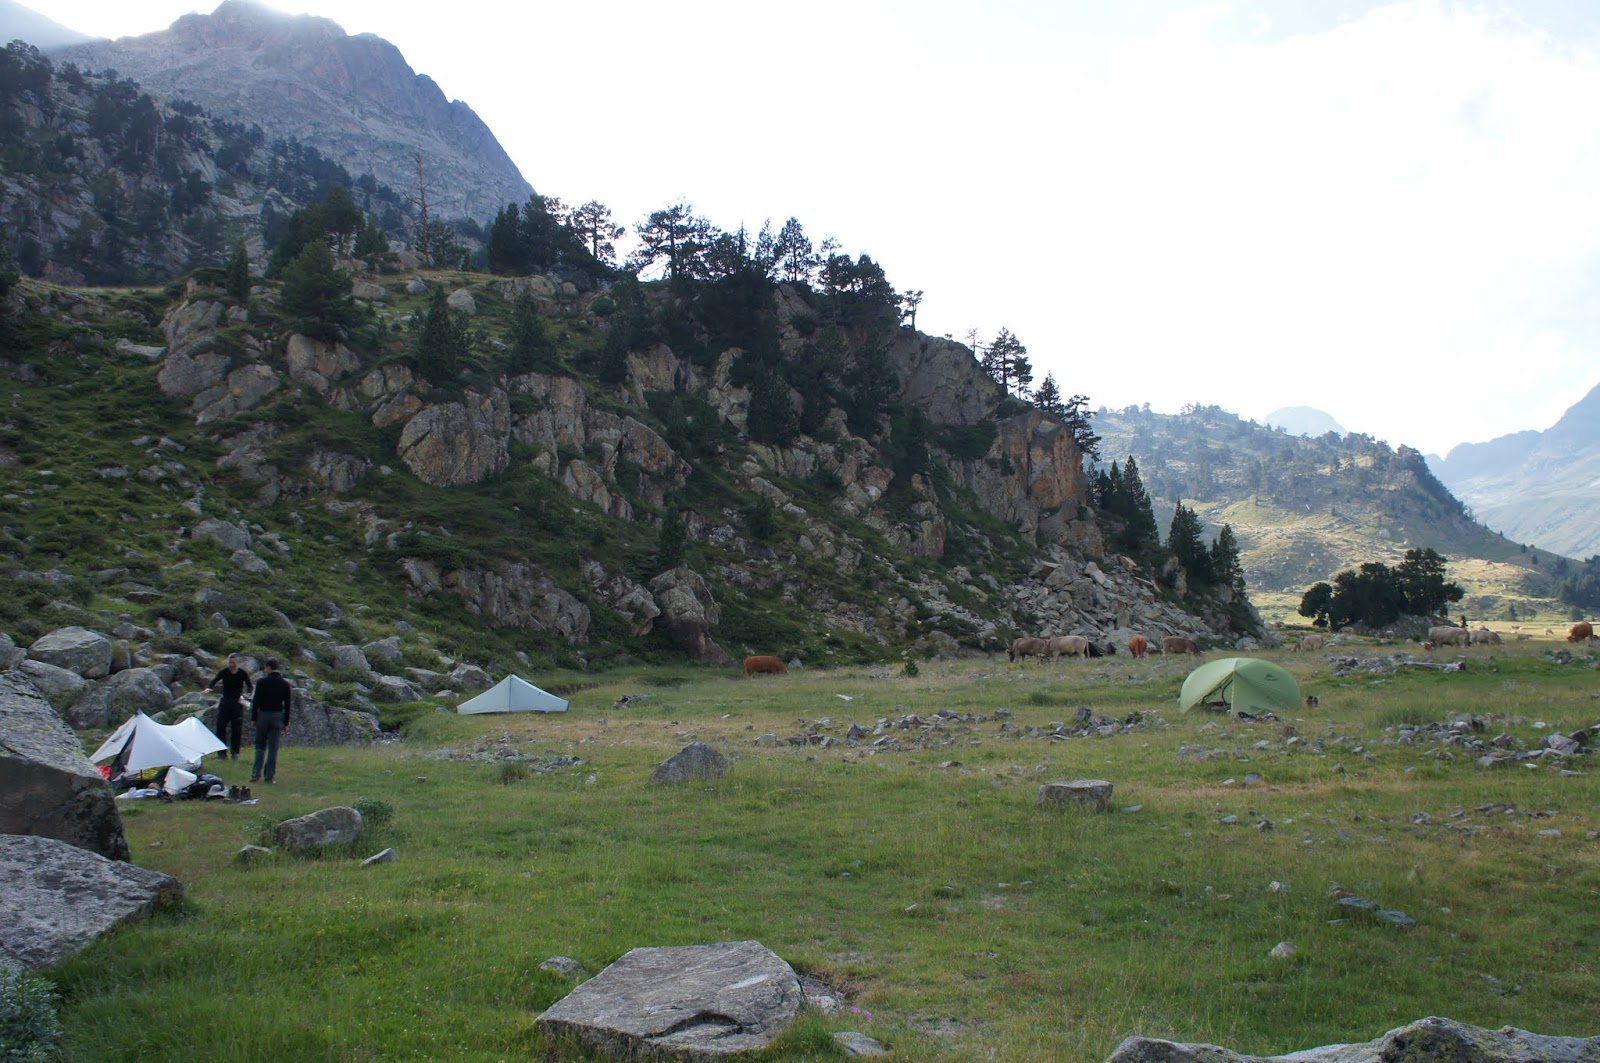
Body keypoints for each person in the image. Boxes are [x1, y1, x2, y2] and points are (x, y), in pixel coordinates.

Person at [249, 657, 293, 785]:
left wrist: (253, 718)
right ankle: (269, 776)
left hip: (263, 715)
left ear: (268, 667)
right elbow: (287, 705)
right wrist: (286, 723)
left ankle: (255, 774)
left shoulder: (261, 682)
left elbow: (256, 701)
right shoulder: (285, 684)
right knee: (273, 749)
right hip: (277, 716)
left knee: (260, 746)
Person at [202, 653, 253, 760]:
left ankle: (235, 753)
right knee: (220, 727)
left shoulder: (242, 673)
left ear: (238, 662)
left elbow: (250, 686)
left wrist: (248, 694)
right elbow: (214, 680)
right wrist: (209, 688)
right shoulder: (224, 672)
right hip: (225, 702)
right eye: (230, 662)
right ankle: (221, 754)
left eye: (233, 663)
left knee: (236, 729)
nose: (231, 665)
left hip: (237, 703)